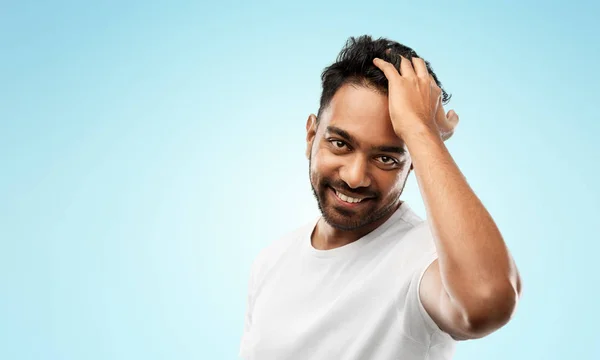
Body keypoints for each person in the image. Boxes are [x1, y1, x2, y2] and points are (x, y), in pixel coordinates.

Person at [239, 35, 522, 360]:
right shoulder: (270, 261)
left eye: (386, 158)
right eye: (340, 144)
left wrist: (422, 132)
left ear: (413, 161)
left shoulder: (427, 261)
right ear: (311, 136)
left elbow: (486, 300)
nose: (355, 176)